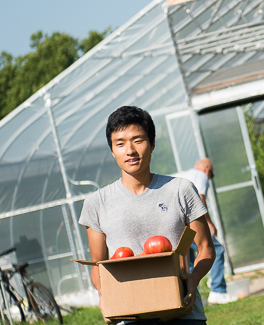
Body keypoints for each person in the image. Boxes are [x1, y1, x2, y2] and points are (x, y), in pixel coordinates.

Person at [78, 106, 214, 325]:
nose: (129, 150)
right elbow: (98, 266)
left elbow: (206, 247)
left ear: (152, 144)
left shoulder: (180, 190)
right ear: (112, 150)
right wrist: (104, 296)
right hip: (130, 315)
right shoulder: (96, 203)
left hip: (183, 311)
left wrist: (194, 280)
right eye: (120, 143)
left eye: (138, 140)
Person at [179, 158, 237, 305]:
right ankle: (218, 291)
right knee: (216, 249)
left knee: (188, 262)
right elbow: (199, 199)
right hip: (190, 223)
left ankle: (192, 297)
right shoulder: (201, 175)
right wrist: (209, 224)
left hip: (179, 226)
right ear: (207, 170)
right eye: (210, 176)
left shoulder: (186, 175)